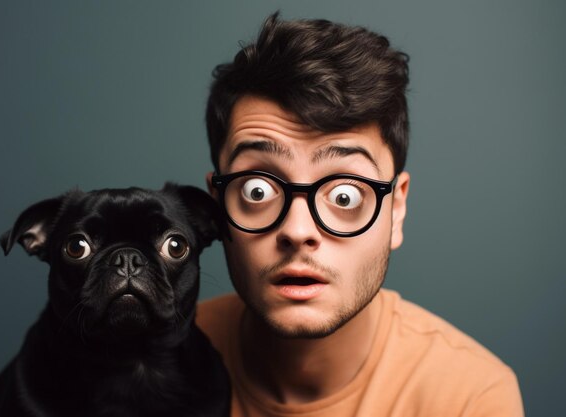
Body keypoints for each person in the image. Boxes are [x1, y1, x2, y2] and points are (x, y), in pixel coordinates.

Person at [196, 12, 524, 417]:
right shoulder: (138, 357)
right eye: (257, 190)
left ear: (396, 208)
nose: (298, 231)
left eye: (346, 196)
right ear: (217, 206)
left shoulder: (467, 397)